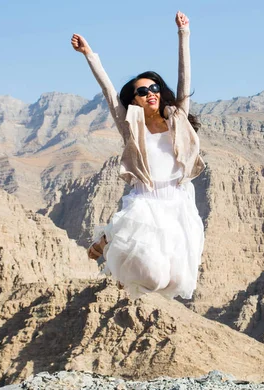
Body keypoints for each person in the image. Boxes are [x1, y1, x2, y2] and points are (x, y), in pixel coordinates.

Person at [71, 11, 205, 300]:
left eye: (154, 88)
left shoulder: (176, 117)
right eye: (142, 91)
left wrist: (184, 34)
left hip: (177, 203)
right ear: (133, 100)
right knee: (152, 277)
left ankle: (109, 238)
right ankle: (111, 242)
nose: (150, 93)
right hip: (145, 202)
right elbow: (108, 91)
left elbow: (185, 79)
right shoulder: (131, 125)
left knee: (176, 280)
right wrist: (89, 54)